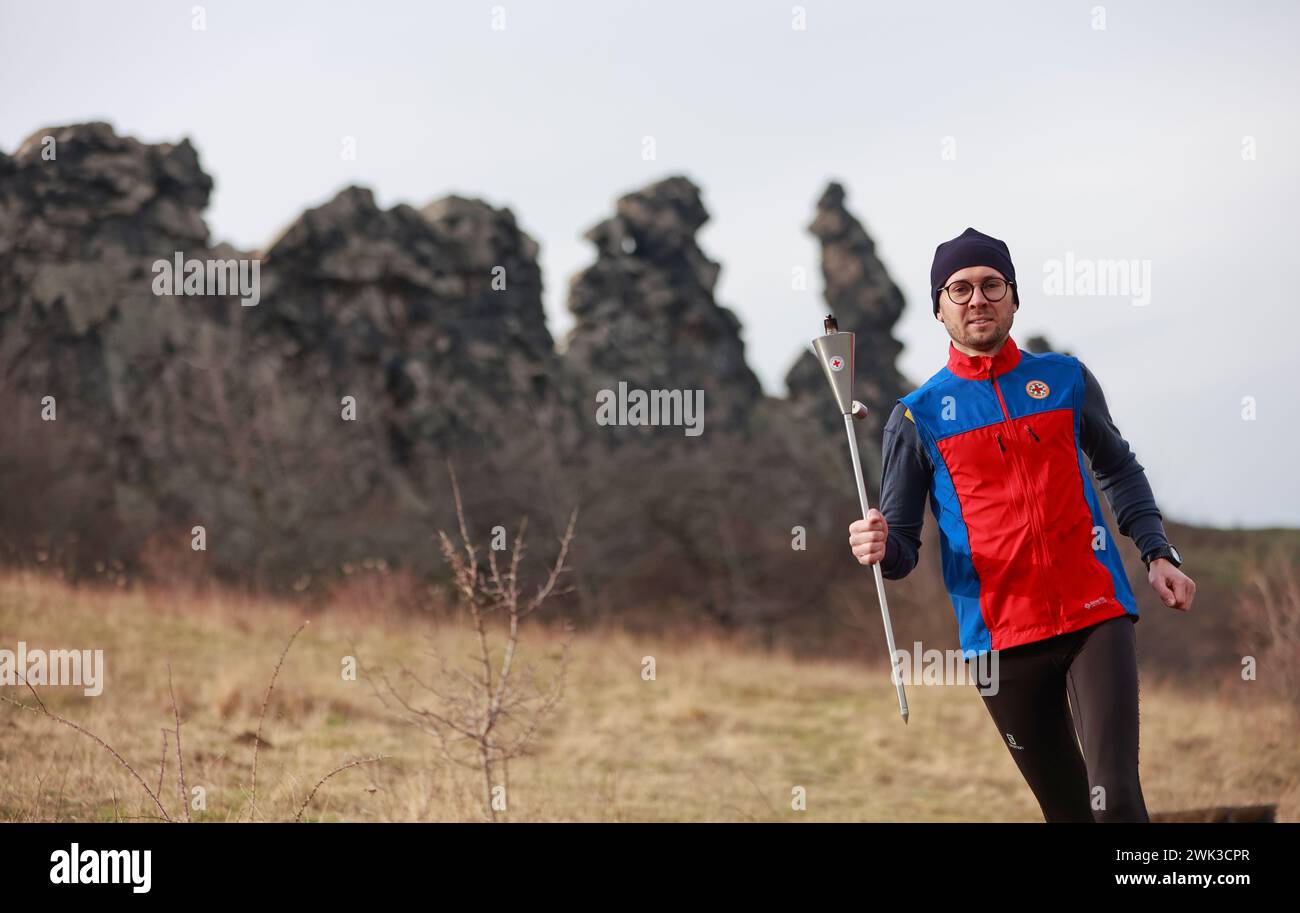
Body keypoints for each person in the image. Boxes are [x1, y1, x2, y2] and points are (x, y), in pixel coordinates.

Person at [847, 227, 1196, 823]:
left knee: (1113, 799)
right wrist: (878, 545)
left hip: (1094, 613)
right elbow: (902, 549)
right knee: (1067, 811)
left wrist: (1157, 551)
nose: (976, 299)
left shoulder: (1065, 379)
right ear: (939, 307)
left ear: (1013, 297)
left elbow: (1118, 469)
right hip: (999, 642)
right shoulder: (916, 416)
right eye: (959, 289)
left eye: (991, 285)